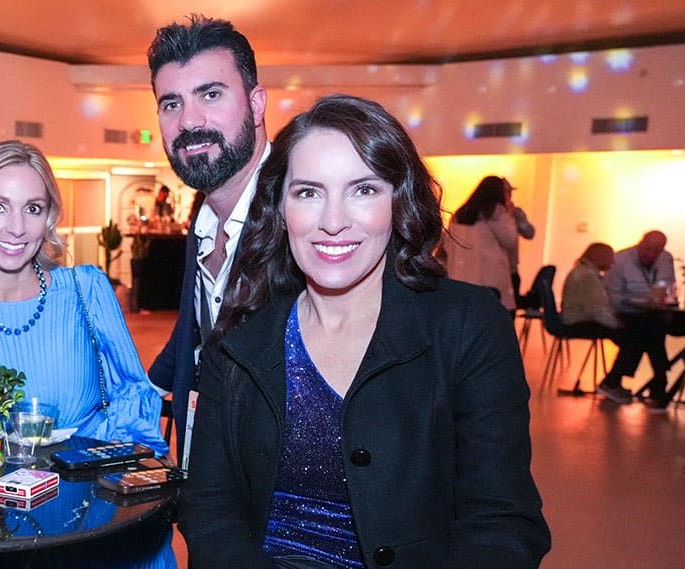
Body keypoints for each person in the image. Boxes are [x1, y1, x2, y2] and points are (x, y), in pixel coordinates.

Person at [184, 95, 550, 568]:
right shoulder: (237, 342)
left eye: (363, 190)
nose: (333, 222)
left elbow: (501, 524)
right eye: (309, 192)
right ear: (280, 207)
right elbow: (210, 510)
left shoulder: (468, 328)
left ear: (399, 201)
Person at [0, 140, 173, 569]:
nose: (17, 228)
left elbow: (132, 394)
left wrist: (114, 476)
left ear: (49, 216)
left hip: (101, 529)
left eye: (32, 208)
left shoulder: (85, 290)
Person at [144, 14, 271, 467]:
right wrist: (141, 393)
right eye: (171, 103)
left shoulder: (301, 211)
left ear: (256, 104)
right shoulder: (202, 215)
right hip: (205, 475)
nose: (189, 121)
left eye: (211, 95)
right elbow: (198, 329)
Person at [596, 231, 677, 407]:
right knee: (648, 330)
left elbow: (669, 288)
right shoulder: (620, 260)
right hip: (623, 313)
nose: (651, 255)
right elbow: (611, 295)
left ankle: (613, 380)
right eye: (648, 249)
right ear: (640, 243)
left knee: (651, 329)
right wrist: (640, 302)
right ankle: (660, 383)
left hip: (652, 315)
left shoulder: (666, 260)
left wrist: (662, 299)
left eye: (657, 250)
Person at [444, 175, 520, 311]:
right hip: (489, 282)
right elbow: (510, 240)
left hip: (459, 279)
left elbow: (447, 246)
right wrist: (510, 216)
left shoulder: (460, 214)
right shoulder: (496, 213)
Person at [562, 243, 622, 330]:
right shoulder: (587, 276)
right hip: (580, 322)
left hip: (573, 319)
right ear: (599, 256)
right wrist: (616, 324)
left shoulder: (581, 271)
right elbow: (596, 311)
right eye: (610, 257)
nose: (613, 261)